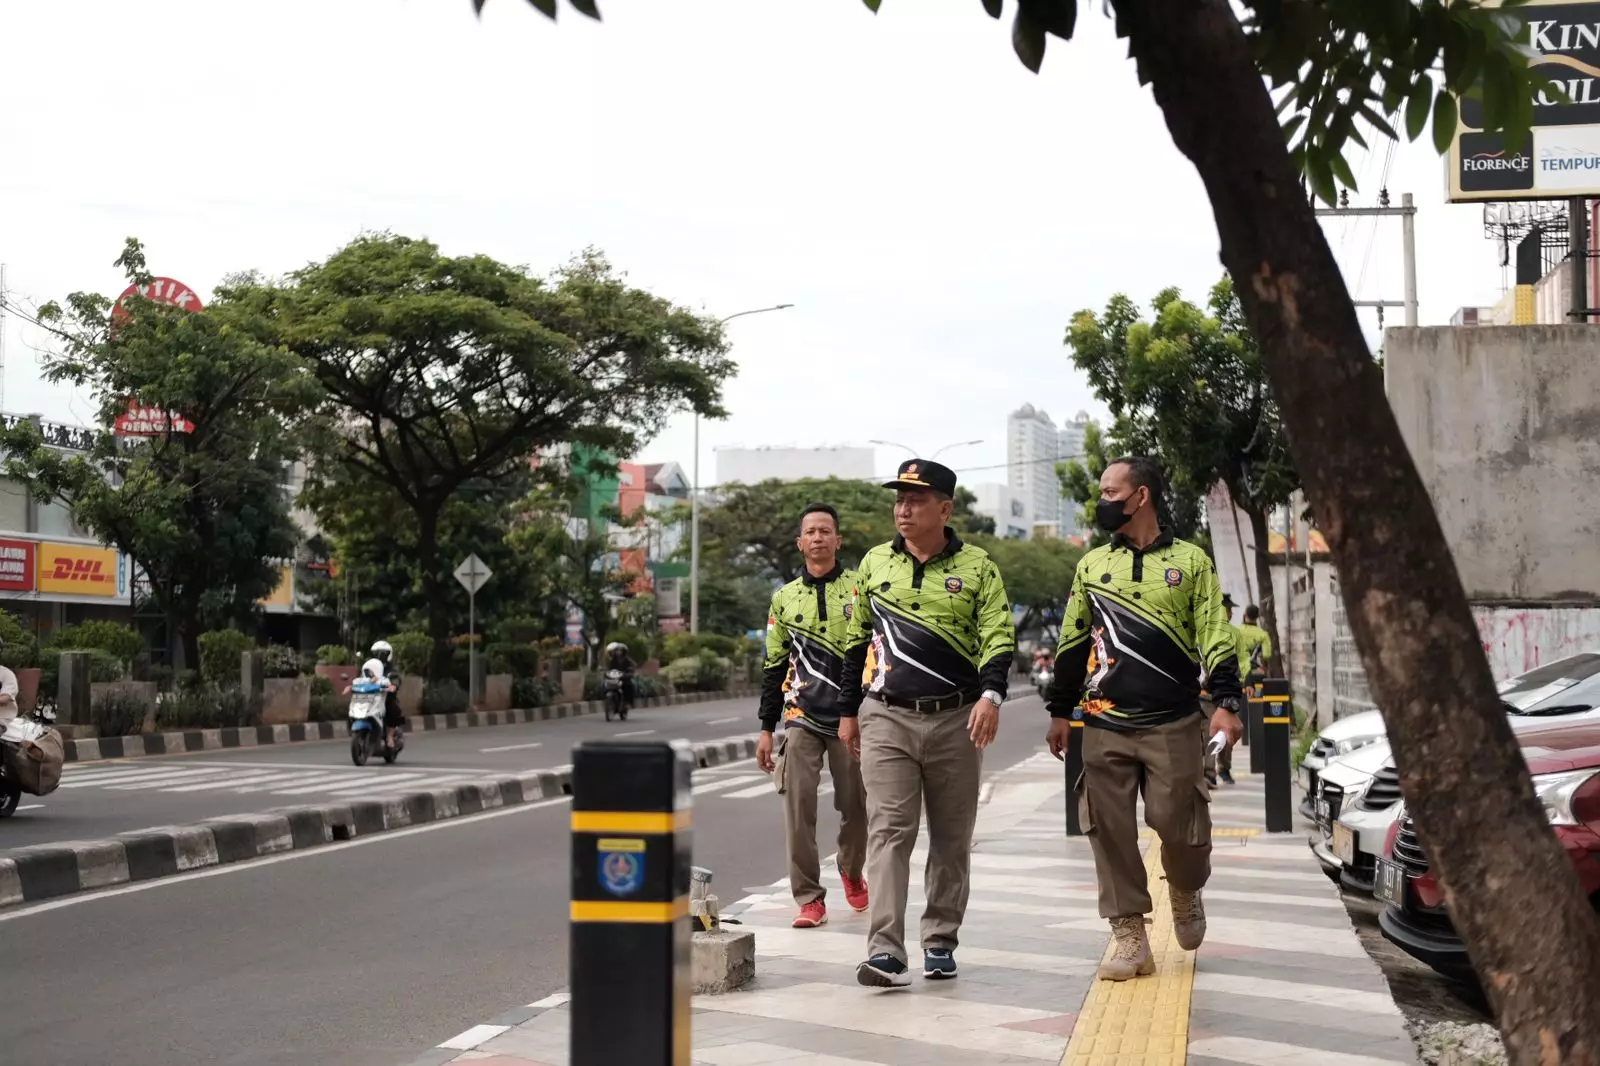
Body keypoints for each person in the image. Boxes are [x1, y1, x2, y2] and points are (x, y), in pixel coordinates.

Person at [1045, 456, 1244, 982]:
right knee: (1107, 829)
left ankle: (1185, 886)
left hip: (1175, 722)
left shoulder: (1192, 563)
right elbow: (1071, 640)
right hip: (1103, 721)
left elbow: (1215, 635)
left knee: (1175, 822)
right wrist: (1059, 710)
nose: (1102, 500)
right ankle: (1129, 933)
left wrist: (1227, 701)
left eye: (1112, 491)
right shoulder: (1092, 566)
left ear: (1141, 497)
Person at [838, 458, 1016, 988]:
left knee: (951, 836)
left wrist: (991, 695)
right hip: (886, 715)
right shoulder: (873, 564)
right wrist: (848, 712)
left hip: (958, 719)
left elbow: (999, 638)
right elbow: (854, 643)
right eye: (899, 499)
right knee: (889, 830)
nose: (903, 508)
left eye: (916, 499)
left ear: (945, 508)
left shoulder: (980, 567)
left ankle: (940, 939)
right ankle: (885, 950)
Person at [756, 502, 870, 929]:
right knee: (798, 808)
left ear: (838, 540)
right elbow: (772, 667)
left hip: (851, 718)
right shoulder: (783, 598)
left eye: (826, 531)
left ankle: (851, 868)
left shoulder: (862, 589)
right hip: (800, 715)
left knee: (857, 806)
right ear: (800, 542)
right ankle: (809, 897)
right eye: (811, 531)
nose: (818, 537)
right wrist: (766, 729)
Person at [604, 641, 636, 710]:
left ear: (624, 652)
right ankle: (607, 701)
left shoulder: (628, 660)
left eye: (620, 651)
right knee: (604, 686)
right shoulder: (612, 660)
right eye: (617, 651)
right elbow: (608, 667)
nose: (619, 652)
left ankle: (628, 702)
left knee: (629, 686)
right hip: (613, 678)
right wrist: (605, 671)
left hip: (624, 678)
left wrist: (630, 672)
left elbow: (633, 666)